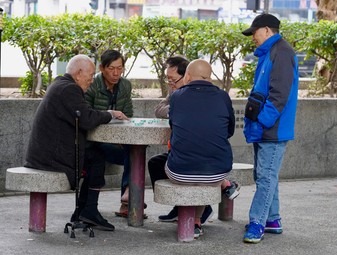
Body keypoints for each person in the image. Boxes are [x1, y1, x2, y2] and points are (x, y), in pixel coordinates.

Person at [25, 54, 129, 231]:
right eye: (89, 77)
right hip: (50, 158)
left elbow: (84, 113)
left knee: (94, 155)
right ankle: (88, 211)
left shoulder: (60, 84)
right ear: (79, 73)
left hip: (45, 154)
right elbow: (87, 118)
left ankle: (83, 211)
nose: (90, 81)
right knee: (96, 157)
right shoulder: (69, 89)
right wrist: (110, 114)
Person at [241, 14, 299, 243]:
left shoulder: (281, 53)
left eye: (254, 32)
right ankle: (272, 219)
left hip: (271, 129)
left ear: (266, 30)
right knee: (265, 175)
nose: (252, 37)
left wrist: (263, 121)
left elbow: (279, 95)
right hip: (266, 127)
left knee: (265, 176)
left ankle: (257, 222)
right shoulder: (272, 52)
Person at [165, 59, 239, 238]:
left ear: (187, 76)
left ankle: (190, 219)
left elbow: (173, 125)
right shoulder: (223, 97)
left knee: (178, 163)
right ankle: (197, 220)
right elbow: (229, 130)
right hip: (217, 173)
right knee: (204, 168)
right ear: (210, 77)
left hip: (179, 173)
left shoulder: (176, 97)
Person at [148, 55, 218, 224]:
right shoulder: (176, 93)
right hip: (183, 153)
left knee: (175, 166)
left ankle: (199, 208)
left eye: (173, 80)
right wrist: (177, 109)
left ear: (187, 76)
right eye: (168, 80)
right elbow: (159, 110)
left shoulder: (205, 96)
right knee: (155, 163)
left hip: (203, 157)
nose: (170, 84)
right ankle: (180, 206)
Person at [84, 50, 134, 218]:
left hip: (116, 142)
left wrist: (121, 139)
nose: (116, 73)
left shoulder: (125, 85)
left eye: (120, 68)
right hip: (93, 142)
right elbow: (87, 117)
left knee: (135, 150)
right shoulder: (92, 85)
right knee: (130, 153)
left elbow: (128, 116)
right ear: (102, 68)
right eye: (111, 68)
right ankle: (128, 200)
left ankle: (127, 197)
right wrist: (109, 114)